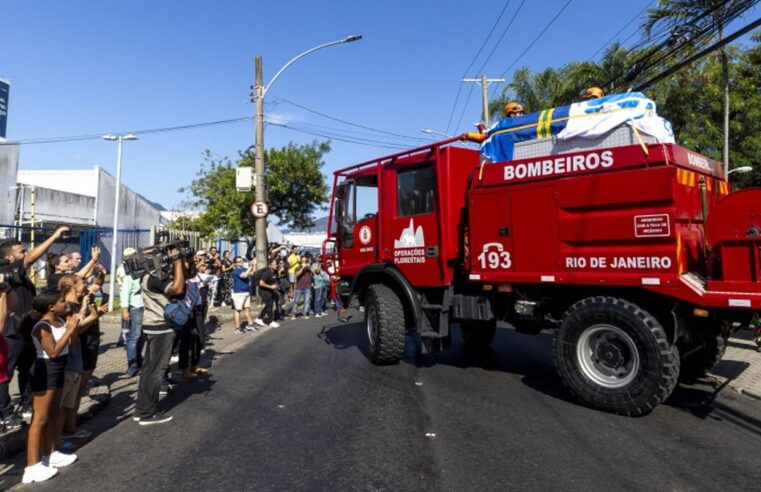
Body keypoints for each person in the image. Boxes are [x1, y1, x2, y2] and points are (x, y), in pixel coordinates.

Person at [0, 226, 69, 430]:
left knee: (28, 369)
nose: (25, 254)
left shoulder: (18, 275)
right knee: (5, 374)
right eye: (20, 251)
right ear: (9, 257)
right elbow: (30, 258)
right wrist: (55, 236)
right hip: (11, 332)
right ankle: (5, 412)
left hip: (26, 330)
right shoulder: (5, 270)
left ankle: (26, 403)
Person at [22, 291, 80, 484]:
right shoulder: (42, 326)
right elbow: (53, 351)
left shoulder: (60, 321)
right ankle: (32, 466)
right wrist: (70, 329)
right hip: (45, 370)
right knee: (40, 418)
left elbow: (68, 347)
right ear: (51, 307)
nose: (66, 303)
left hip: (59, 368)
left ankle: (51, 453)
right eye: (62, 301)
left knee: (54, 413)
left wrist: (75, 327)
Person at [134, 245, 187, 425]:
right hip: (161, 327)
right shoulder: (156, 278)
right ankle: (147, 414)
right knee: (156, 371)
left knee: (148, 370)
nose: (163, 257)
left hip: (152, 325)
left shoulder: (147, 276)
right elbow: (178, 289)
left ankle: (142, 408)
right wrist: (178, 262)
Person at [120, 248, 144, 377]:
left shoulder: (144, 273)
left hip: (144, 307)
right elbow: (125, 292)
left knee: (142, 336)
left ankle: (139, 359)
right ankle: (132, 364)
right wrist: (125, 309)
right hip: (135, 307)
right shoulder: (130, 275)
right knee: (135, 336)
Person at [231, 256, 256, 333]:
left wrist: (253, 265)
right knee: (238, 310)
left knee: (247, 308)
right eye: (239, 261)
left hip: (246, 291)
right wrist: (250, 267)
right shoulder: (235, 271)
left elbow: (253, 273)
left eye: (242, 261)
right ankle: (238, 328)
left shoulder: (244, 269)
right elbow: (244, 275)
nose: (241, 262)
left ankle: (250, 324)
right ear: (235, 264)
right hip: (239, 292)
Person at [255, 259, 280, 329]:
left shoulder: (274, 272)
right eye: (274, 264)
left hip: (270, 291)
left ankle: (259, 319)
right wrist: (271, 287)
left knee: (269, 305)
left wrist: (276, 286)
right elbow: (261, 283)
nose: (276, 265)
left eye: (276, 264)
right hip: (264, 291)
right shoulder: (267, 273)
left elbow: (273, 281)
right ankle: (270, 321)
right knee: (269, 305)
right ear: (270, 265)